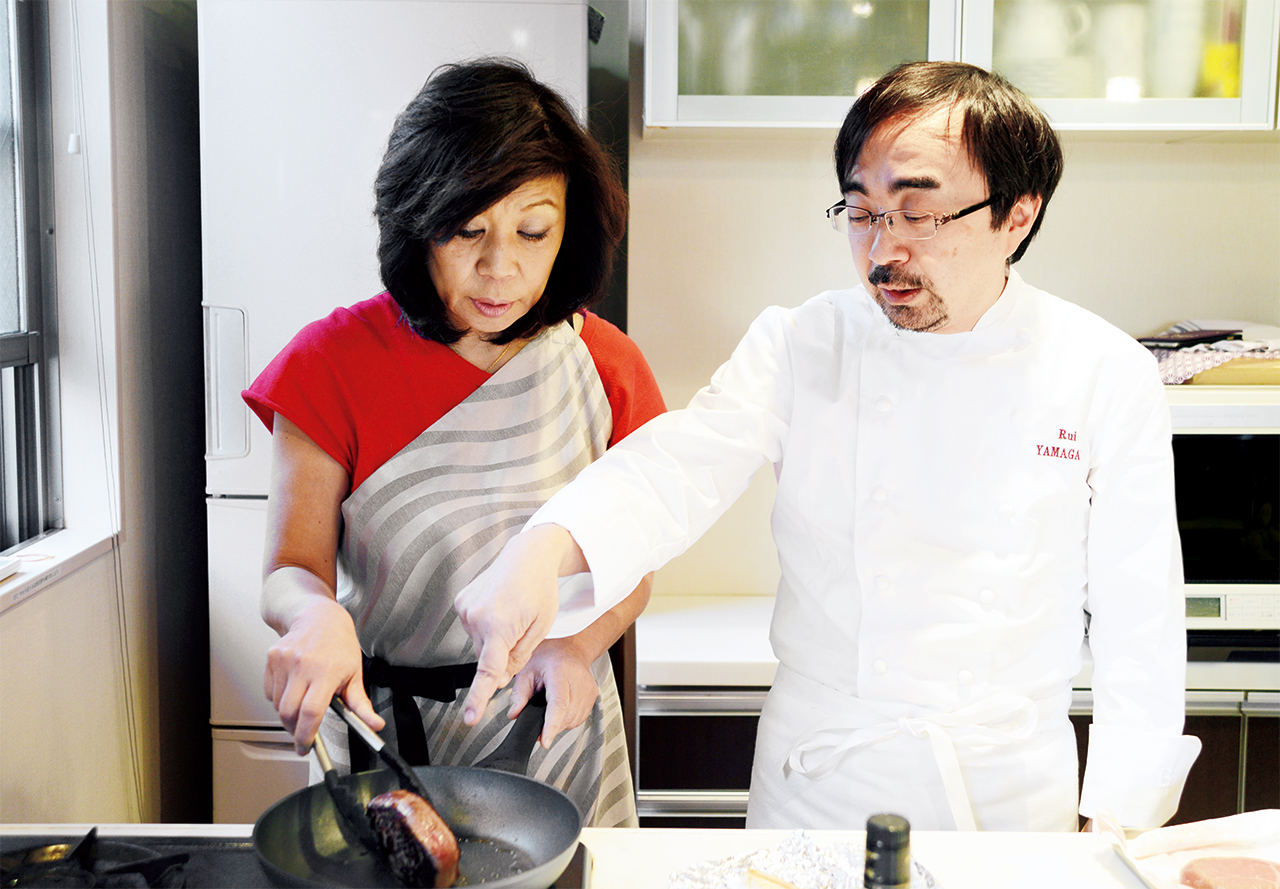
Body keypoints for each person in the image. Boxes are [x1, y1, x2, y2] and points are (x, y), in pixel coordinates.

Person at [454, 61, 1202, 833]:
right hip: (820, 786)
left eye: (917, 213)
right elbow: (679, 465)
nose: (883, 249)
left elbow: (1140, 617)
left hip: (1004, 799)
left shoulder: (1104, 371)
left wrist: (1119, 822)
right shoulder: (803, 342)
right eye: (861, 212)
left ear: (1017, 215)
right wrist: (541, 549)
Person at [246, 59, 665, 828]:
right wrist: (312, 616)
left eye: (533, 231)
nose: (500, 268)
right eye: (467, 230)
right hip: (383, 737)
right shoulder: (330, 363)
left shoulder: (605, 366)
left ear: (568, 230)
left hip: (554, 725)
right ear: (418, 222)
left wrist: (578, 644)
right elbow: (289, 571)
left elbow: (632, 563)